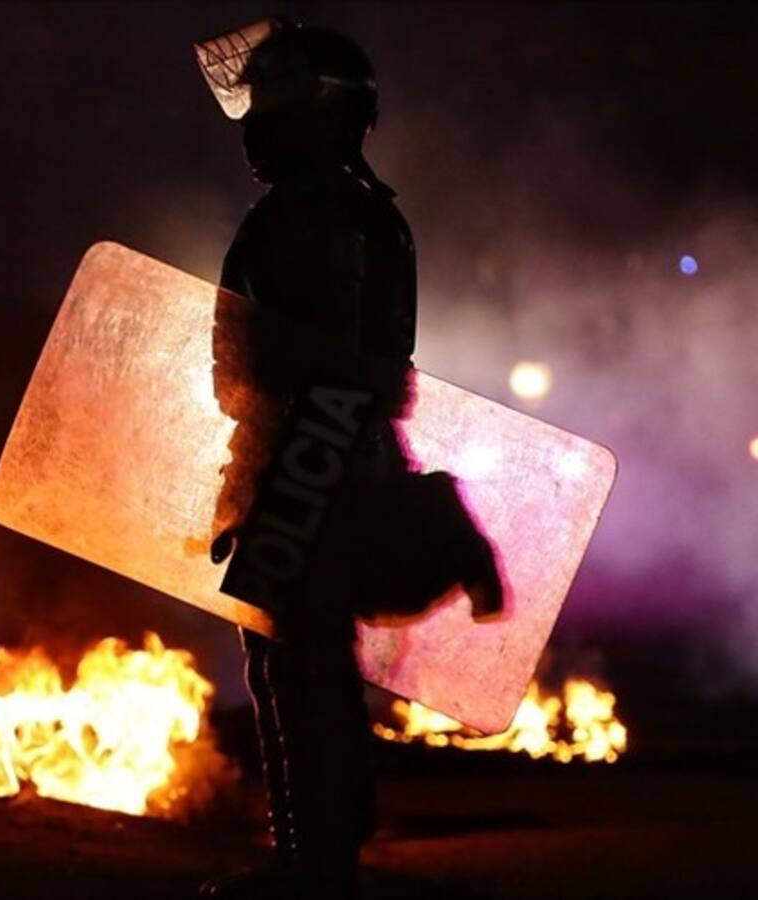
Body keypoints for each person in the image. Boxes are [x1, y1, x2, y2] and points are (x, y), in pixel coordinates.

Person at [196, 20, 502, 898]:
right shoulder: (341, 207)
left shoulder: (320, 213)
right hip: (308, 447)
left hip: (315, 452)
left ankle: (318, 867)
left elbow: (328, 361)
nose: (253, 123)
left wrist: (283, 480)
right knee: (286, 657)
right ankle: (310, 859)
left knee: (299, 661)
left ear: (314, 113)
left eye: (270, 103)